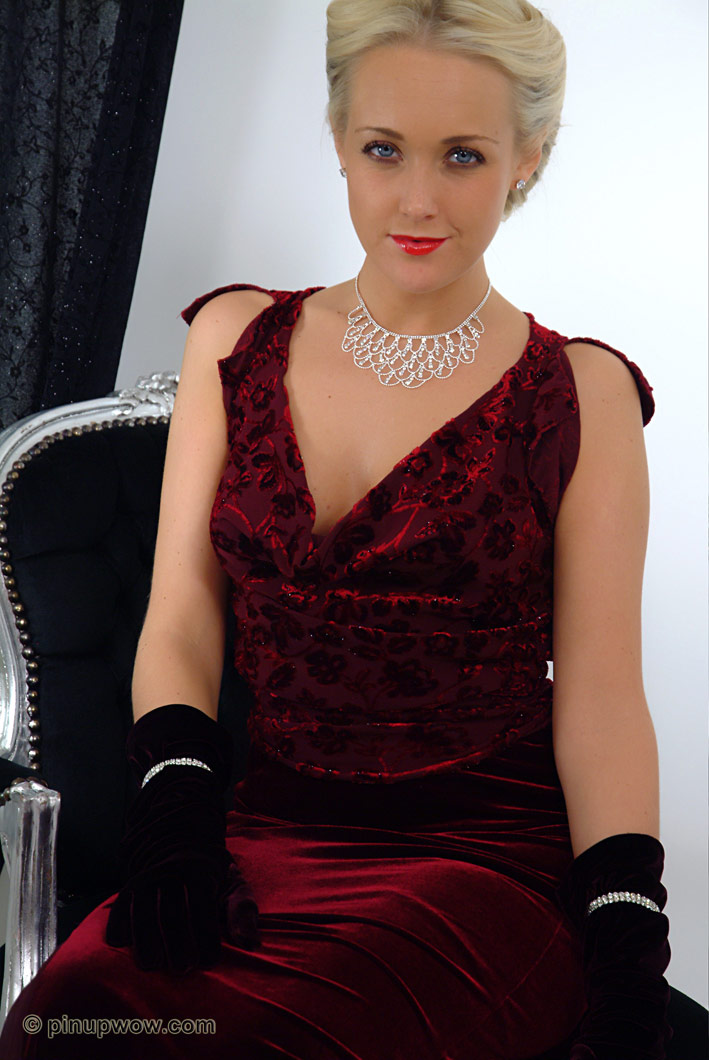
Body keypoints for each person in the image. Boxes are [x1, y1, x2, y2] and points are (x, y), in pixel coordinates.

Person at [0, 1, 674, 1057]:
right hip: (264, 836)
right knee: (67, 1024)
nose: (416, 199)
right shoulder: (233, 338)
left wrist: (626, 941)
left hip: (480, 862)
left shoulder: (581, 393)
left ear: (528, 157)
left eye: (462, 155)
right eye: (382, 149)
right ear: (338, 139)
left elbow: (601, 702)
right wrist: (177, 808)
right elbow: (180, 615)